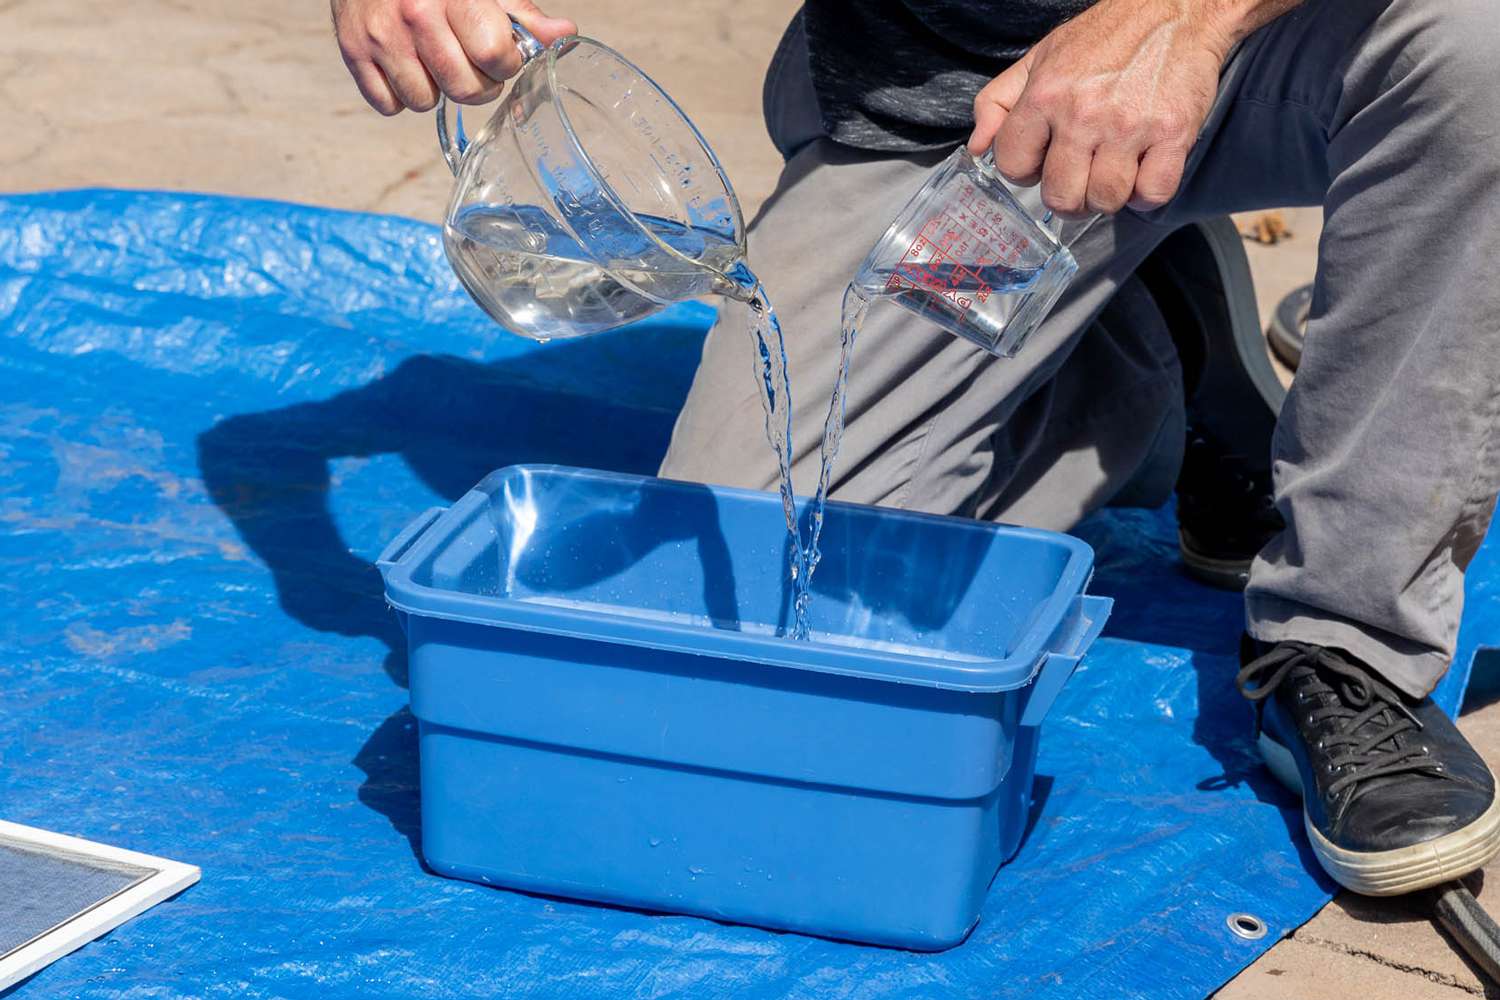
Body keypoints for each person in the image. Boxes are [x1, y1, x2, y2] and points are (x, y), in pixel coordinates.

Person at [331, 0, 1500, 896]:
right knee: (772, 593)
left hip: (1297, 43)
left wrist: (1179, 20)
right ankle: (1157, 334)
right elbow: (259, 435)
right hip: (962, 123)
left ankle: (1348, 649)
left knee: (1479, 49)